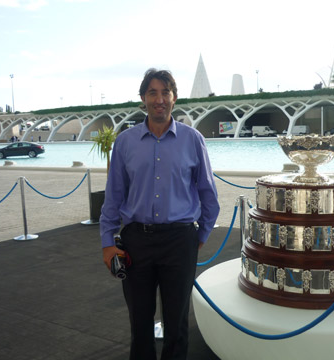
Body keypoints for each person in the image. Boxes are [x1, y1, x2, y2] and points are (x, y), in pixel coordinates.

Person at [100, 68, 220, 360]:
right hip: (135, 241)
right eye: (152, 92)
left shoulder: (192, 140)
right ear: (143, 98)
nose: (159, 99)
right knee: (139, 324)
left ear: (174, 98)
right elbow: (114, 195)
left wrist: (198, 237)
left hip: (180, 240)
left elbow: (209, 195)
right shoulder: (126, 143)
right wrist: (106, 241)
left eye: (165, 92)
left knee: (176, 325)